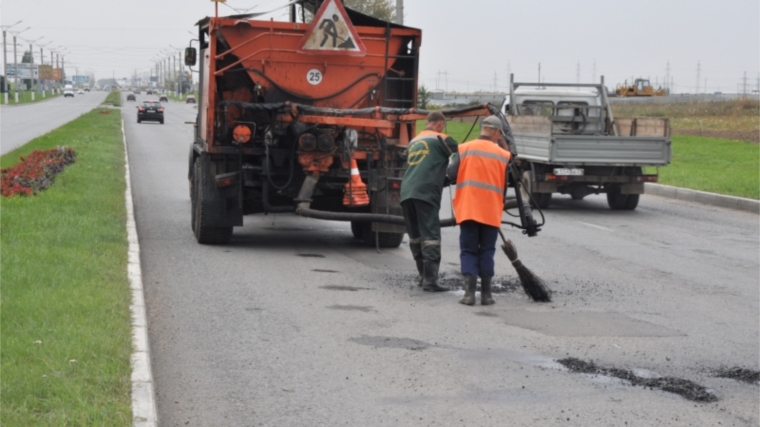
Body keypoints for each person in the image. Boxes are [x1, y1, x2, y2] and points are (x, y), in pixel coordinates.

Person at [447, 115, 511, 305]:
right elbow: (505, 187)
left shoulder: (464, 148)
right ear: (497, 132)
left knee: (468, 250)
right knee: (487, 251)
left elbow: (451, 175)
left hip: (468, 209)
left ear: (483, 129)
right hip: (491, 210)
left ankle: (468, 295)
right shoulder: (502, 154)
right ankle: (487, 295)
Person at [400, 111, 459, 292]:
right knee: (430, 235)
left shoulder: (414, 141)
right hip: (425, 192)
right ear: (440, 123)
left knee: (415, 235)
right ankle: (430, 281)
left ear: (427, 122)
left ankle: (421, 275)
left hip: (406, 191)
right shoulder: (442, 138)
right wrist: (449, 176)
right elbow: (463, 153)